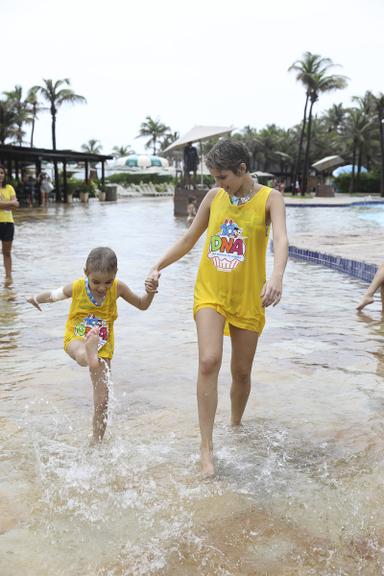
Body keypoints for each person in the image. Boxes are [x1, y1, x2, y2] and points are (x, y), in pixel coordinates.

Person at [151, 140, 289, 476]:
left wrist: (277, 276)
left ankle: (236, 426)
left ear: (242, 170)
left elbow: (282, 241)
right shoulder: (215, 198)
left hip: (248, 296)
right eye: (214, 177)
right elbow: (188, 239)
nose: (218, 184)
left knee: (241, 372)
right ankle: (206, 449)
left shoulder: (271, 199)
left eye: (223, 176)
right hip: (210, 291)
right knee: (209, 360)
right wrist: (158, 266)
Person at [27, 247, 160, 444]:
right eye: (96, 281)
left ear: (115, 275)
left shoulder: (118, 287)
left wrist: (150, 292)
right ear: (86, 273)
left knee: (103, 400)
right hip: (76, 337)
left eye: (107, 282)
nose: (101, 287)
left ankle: (96, 441)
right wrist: (36, 299)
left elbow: (142, 304)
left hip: (103, 346)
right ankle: (89, 353)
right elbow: (54, 296)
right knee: (81, 353)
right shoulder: (78, 286)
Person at [0, 164, 19, 287]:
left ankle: (8, 277)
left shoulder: (9, 188)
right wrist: (10, 203)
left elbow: (16, 205)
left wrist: (4, 203)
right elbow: (12, 203)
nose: (0, 175)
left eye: (1, 172)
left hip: (8, 223)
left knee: (7, 252)